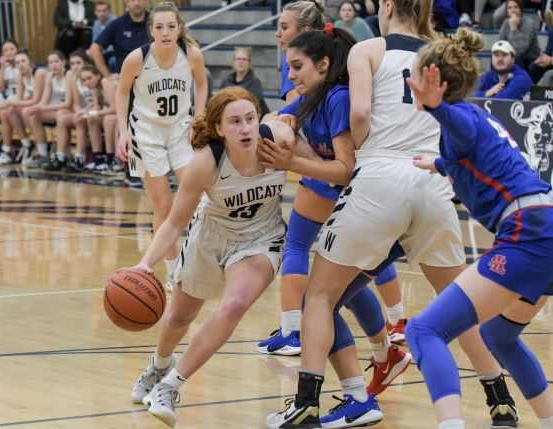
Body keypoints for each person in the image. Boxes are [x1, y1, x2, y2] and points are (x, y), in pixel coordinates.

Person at [264, 0, 518, 427]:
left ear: (385, 6)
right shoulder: (441, 51)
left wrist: (363, 145)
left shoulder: (370, 49)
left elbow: (360, 113)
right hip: (431, 181)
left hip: (381, 174)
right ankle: (500, 399)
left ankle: (306, 401)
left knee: (321, 296)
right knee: (461, 305)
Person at [261, 26, 410, 428]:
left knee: (320, 301)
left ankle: (349, 390)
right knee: (334, 291)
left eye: (296, 66)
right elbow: (270, 122)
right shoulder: (312, 98)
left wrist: (292, 160)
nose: (289, 74)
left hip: (378, 210)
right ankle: (376, 368)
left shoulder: (340, 98)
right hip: (369, 212)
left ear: (324, 64)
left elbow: (344, 171)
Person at [404, 27, 553, 429]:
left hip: (529, 234)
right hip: (544, 226)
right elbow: (472, 157)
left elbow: (462, 132)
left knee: (424, 330)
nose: (413, 85)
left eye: (418, 76)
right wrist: (435, 164)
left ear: (436, 81)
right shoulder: (474, 120)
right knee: (499, 337)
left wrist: (436, 108)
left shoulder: (460, 119)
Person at [128, 87, 290, 426]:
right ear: (219, 129)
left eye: (250, 119)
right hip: (210, 236)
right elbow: (174, 223)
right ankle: (159, 366)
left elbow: (320, 161)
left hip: (261, 239)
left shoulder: (279, 140)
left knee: (233, 306)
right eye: (235, 122)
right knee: (178, 319)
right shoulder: (205, 163)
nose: (246, 128)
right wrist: (145, 264)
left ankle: (171, 386)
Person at [115, 1, 207, 290]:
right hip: (147, 134)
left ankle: (202, 258)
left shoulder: (191, 54)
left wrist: (199, 117)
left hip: (180, 132)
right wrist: (122, 132)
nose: (165, 32)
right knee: (163, 206)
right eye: (159, 27)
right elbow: (122, 92)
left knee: (199, 199)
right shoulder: (136, 59)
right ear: (151, 30)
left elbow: (202, 86)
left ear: (179, 28)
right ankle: (172, 269)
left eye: (170, 26)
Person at [0, 49, 47, 166]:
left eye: (23, 61)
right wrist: (10, 105)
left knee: (26, 112)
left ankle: (42, 150)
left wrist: (10, 103)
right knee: (10, 111)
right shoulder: (20, 76)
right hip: (36, 105)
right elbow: (19, 99)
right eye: (17, 62)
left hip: (47, 104)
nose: (20, 64)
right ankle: (27, 144)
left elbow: (36, 100)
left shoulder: (39, 73)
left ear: (30, 62)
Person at [22, 51, 70, 168]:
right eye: (50, 62)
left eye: (56, 61)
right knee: (33, 114)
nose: (53, 65)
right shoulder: (50, 76)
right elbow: (44, 101)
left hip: (67, 110)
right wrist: (35, 108)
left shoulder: (69, 75)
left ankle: (60, 156)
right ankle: (42, 152)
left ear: (63, 62)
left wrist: (43, 107)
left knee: (61, 114)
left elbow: (68, 103)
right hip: (54, 110)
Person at [88, 0, 150, 77]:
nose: (136, 3)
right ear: (126, 2)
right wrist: (108, 76)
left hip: (152, 76)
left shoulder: (155, 21)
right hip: (127, 78)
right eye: (133, 0)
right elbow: (95, 48)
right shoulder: (117, 24)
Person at [219, 47, 270, 117]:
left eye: (244, 59)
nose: (241, 62)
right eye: (238, 59)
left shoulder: (255, 82)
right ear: (233, 62)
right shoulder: (226, 81)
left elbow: (254, 107)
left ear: (249, 63)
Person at [498, 0, 541, 74]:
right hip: (511, 56)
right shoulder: (505, 23)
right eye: (509, 8)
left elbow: (520, 50)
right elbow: (500, 44)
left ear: (520, 9)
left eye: (516, 7)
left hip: (529, 60)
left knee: (516, 58)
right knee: (495, 59)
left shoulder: (529, 24)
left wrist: (514, 29)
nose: (513, 10)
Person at [92, 0, 117, 73]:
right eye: (99, 11)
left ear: (109, 11)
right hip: (102, 52)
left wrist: (100, 50)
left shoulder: (115, 22)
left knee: (113, 61)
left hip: (114, 52)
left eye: (104, 11)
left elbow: (117, 43)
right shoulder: (96, 24)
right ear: (95, 12)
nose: (101, 14)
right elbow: (94, 42)